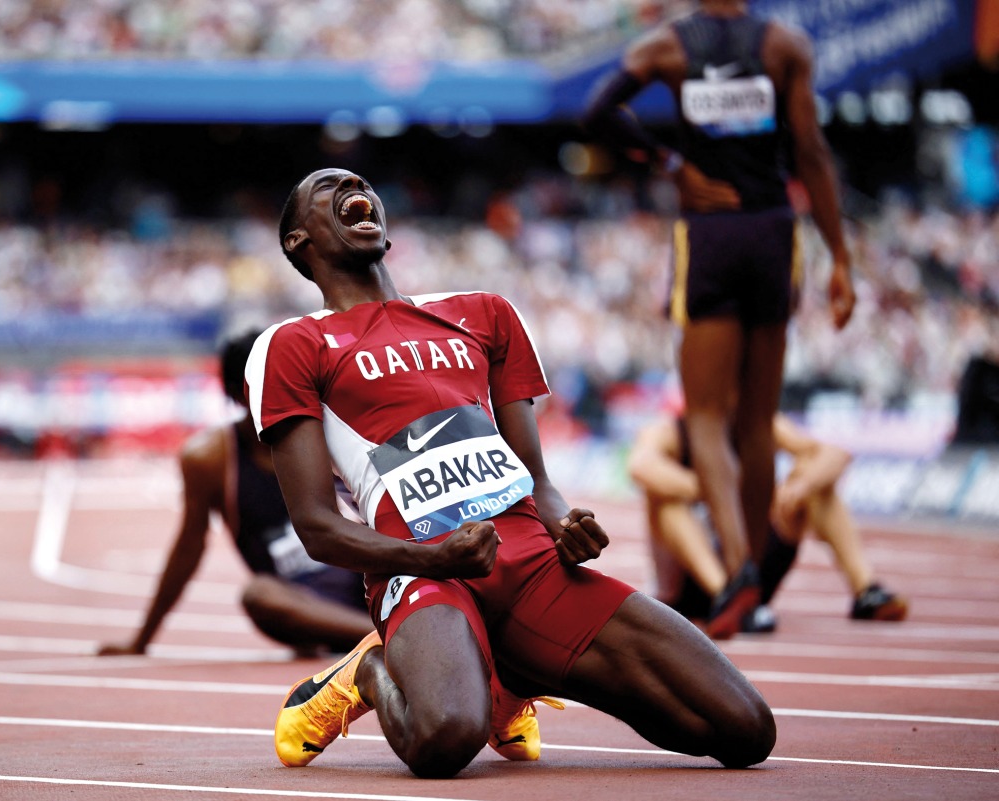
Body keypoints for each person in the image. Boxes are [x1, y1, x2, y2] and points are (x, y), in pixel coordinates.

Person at [244, 167, 774, 779]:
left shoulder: (484, 313)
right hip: (421, 573)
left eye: (357, 182)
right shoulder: (294, 344)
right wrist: (438, 560)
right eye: (326, 187)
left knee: (744, 730)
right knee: (446, 739)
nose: (350, 186)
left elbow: (538, 481)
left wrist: (567, 524)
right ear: (297, 241)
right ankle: (367, 670)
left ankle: (516, 673)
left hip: (532, 564)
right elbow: (317, 528)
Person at [581, 0, 857, 638]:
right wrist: (841, 257)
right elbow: (812, 151)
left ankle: (738, 572)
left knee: (706, 417)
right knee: (756, 421)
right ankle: (753, 575)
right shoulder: (783, 46)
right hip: (772, 232)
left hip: (710, 233)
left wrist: (672, 164)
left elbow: (598, 110)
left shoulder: (668, 47)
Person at [97, 330, 374, 658]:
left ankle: (397, 623)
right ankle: (379, 637)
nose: (278, 392)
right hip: (302, 607)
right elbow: (189, 548)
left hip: (370, 584)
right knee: (258, 595)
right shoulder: (211, 459)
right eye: (264, 384)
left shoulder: (333, 432)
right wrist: (141, 640)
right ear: (236, 393)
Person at [628, 412, 909, 635]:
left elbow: (836, 455)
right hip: (689, 585)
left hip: (755, 561)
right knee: (665, 501)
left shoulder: (762, 423)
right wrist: (714, 492)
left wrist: (801, 488)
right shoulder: (669, 432)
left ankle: (866, 590)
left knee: (814, 483)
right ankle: (727, 596)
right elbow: (641, 467)